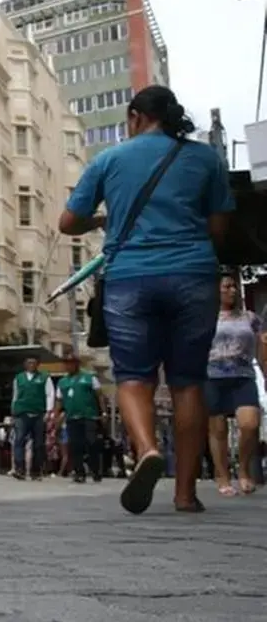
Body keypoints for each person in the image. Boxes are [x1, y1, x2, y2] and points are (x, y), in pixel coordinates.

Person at [60, 85, 234, 514]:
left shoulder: (109, 160)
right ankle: (185, 494)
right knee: (188, 381)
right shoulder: (206, 159)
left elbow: (68, 222)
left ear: (134, 116)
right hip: (193, 275)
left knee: (134, 375)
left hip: (130, 279)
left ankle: (147, 449)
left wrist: (104, 218)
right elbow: (220, 230)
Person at [204, 274, 263, 496]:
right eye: (227, 287)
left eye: (234, 287)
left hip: (243, 376)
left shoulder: (250, 318)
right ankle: (222, 476)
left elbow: (262, 345)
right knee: (217, 429)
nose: (233, 291)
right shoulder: (205, 317)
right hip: (212, 376)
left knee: (249, 424)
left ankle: (245, 471)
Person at [52, 353, 103, 483]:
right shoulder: (62, 382)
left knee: (91, 442)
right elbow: (59, 400)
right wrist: (56, 416)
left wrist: (104, 412)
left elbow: (100, 395)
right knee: (75, 446)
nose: (69, 366)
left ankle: (96, 470)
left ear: (77, 364)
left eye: (71, 363)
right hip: (71, 418)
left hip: (89, 416)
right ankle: (79, 473)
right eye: (67, 363)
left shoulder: (89, 378)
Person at [10, 357, 54, 481]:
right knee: (19, 440)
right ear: (24, 364)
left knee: (39, 443)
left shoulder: (45, 377)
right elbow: (15, 395)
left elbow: (50, 394)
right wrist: (13, 411)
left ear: (38, 364)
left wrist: (48, 411)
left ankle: (36, 470)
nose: (31, 365)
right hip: (22, 413)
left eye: (34, 363)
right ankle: (20, 469)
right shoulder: (18, 378)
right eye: (29, 362)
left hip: (39, 413)